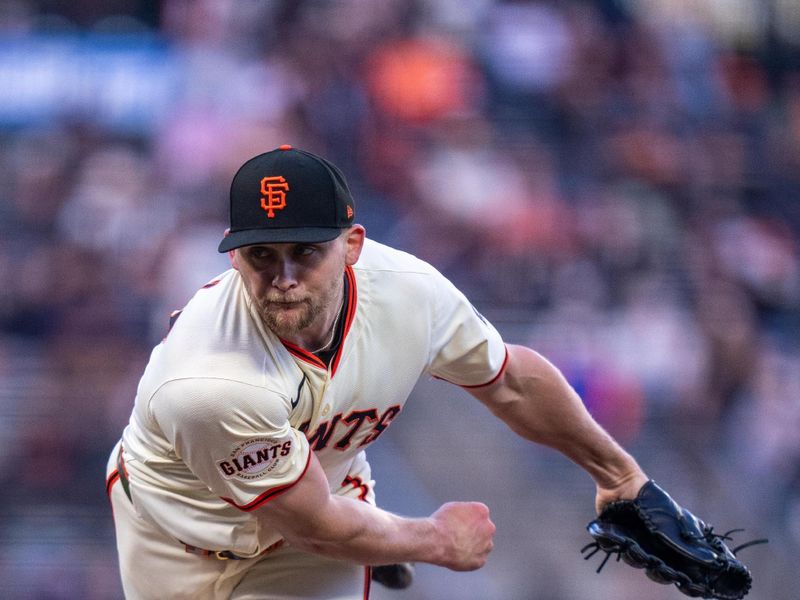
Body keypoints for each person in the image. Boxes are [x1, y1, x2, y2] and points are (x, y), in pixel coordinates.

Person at [105, 144, 648, 599]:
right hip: (175, 535)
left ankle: (366, 537)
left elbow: (508, 380)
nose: (285, 276)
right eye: (261, 255)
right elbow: (315, 525)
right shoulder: (208, 381)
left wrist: (622, 478)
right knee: (325, 524)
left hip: (312, 527)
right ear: (233, 258)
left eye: (305, 251)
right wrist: (432, 539)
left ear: (352, 246)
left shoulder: (409, 291)